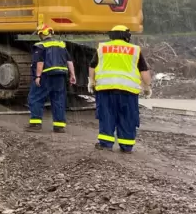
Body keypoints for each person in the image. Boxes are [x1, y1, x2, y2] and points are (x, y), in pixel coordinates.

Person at [88, 25, 152, 153]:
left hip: (105, 89)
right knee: (128, 117)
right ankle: (126, 146)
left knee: (106, 115)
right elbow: (143, 70)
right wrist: (147, 87)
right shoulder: (134, 50)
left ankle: (106, 144)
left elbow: (92, 65)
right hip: (128, 91)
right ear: (126, 36)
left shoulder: (103, 48)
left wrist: (91, 81)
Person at [26, 24, 76, 133]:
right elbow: (69, 61)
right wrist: (72, 75)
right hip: (60, 76)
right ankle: (59, 126)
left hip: (45, 75)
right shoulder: (61, 44)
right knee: (58, 99)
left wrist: (38, 76)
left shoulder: (40, 46)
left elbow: (40, 62)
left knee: (36, 97)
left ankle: (35, 124)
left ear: (41, 34)